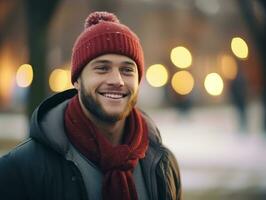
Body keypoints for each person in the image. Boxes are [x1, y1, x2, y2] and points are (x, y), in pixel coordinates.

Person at [0, 11, 182, 200]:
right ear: (77, 80)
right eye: (102, 68)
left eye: (127, 70)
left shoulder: (162, 164)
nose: (117, 80)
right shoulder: (20, 170)